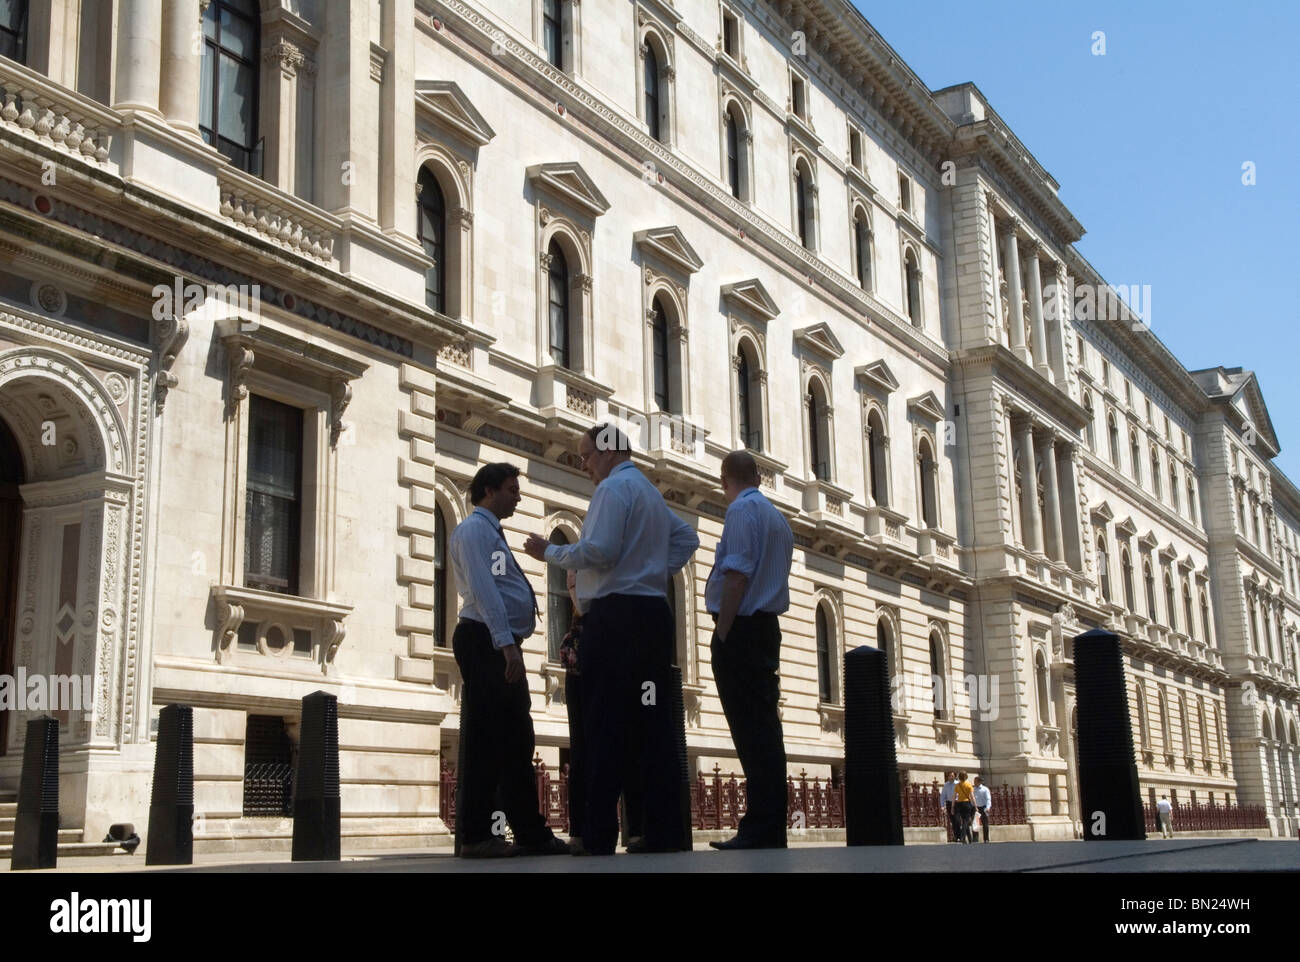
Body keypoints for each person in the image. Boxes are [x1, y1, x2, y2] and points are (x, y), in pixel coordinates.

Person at [524, 424, 699, 856]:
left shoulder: (611, 490)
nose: (582, 464)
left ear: (607, 451)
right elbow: (688, 538)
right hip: (653, 617)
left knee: (604, 722)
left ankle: (599, 834)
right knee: (652, 720)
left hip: (615, 618)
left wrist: (549, 551)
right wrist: (655, 571)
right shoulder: (651, 494)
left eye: (585, 455)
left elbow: (598, 550)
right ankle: (661, 832)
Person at [448, 463, 568, 858]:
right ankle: (478, 834)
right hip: (486, 642)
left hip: (495, 642)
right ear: (488, 491)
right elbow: (484, 590)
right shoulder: (474, 531)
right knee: (490, 740)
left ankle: (529, 832)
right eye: (512, 489)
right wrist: (506, 645)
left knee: (516, 739)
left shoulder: (489, 531)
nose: (518, 496)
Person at [706, 450, 794, 851]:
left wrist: (723, 631)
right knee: (765, 728)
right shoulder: (778, 518)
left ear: (726, 480)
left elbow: (737, 575)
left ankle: (759, 825)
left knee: (750, 730)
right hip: (765, 630)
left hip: (741, 628)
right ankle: (770, 824)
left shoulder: (741, 511)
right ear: (758, 476)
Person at [953, 771, 975, 844]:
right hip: (966, 803)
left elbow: (954, 796)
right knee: (966, 821)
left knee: (964, 820)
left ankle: (969, 838)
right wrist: (975, 805)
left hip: (959, 803)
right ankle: (962, 836)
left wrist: (952, 806)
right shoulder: (968, 785)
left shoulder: (957, 785)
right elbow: (972, 796)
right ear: (966, 776)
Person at [972, 775, 992, 843]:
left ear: (979, 782)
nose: (974, 783)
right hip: (976, 808)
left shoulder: (985, 789)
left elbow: (988, 799)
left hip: (983, 807)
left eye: (975, 781)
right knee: (975, 823)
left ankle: (986, 838)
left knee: (985, 823)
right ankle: (975, 838)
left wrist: (988, 807)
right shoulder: (973, 789)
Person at [940, 772, 957, 842]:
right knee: (953, 820)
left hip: (957, 803)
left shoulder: (957, 784)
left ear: (955, 777)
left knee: (957, 820)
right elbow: (943, 795)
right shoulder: (946, 785)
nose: (951, 777)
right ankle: (956, 836)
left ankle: (959, 835)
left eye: (952, 776)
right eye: (949, 776)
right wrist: (942, 805)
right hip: (949, 803)